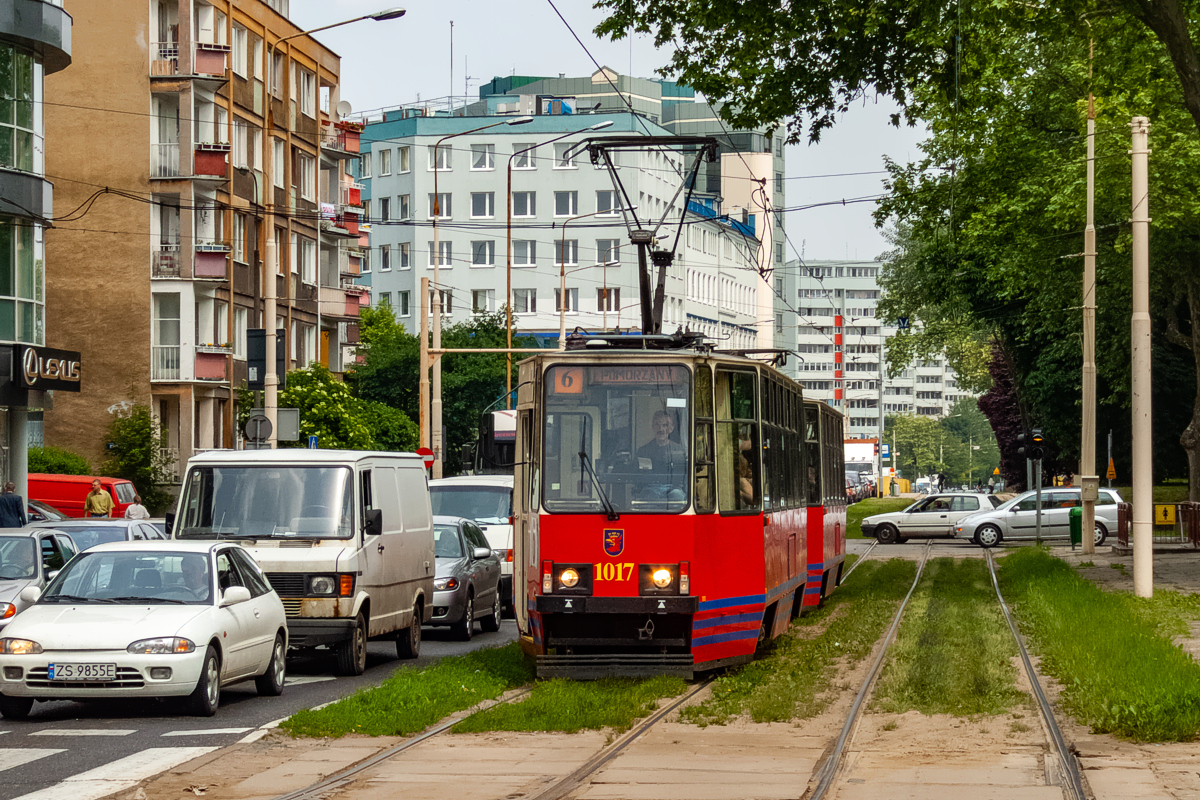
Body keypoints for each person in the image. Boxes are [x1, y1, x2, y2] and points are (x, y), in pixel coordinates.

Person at [636, 410, 687, 501]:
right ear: (652, 427)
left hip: (674, 488)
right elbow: (642, 477)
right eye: (657, 425)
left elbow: (682, 476)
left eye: (665, 425)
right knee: (649, 496)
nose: (661, 429)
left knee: (677, 496)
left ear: (671, 428)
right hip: (651, 488)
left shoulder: (680, 450)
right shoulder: (643, 451)